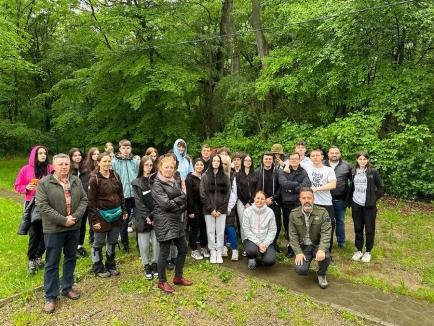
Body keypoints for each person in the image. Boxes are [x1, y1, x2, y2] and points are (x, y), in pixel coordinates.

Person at [35, 153, 88, 313]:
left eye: (66, 164)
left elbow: (84, 200)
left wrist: (75, 217)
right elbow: (43, 206)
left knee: (70, 258)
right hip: (54, 229)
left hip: (73, 227)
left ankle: (67, 287)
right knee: (52, 262)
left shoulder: (75, 180)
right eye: (61, 164)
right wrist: (63, 220)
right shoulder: (45, 183)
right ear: (54, 166)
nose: (64, 167)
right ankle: (50, 296)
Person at [152, 157, 192, 294]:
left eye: (171, 167)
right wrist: (178, 204)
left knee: (183, 248)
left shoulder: (174, 180)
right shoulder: (156, 184)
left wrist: (175, 203)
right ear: (160, 168)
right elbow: (164, 204)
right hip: (164, 221)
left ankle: (178, 277)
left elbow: (183, 197)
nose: (169, 170)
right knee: (164, 252)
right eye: (166, 167)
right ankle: (162, 282)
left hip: (175, 220)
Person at [15, 145, 54, 274]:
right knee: (34, 233)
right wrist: (26, 187)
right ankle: (31, 259)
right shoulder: (26, 169)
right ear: (34, 155)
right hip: (32, 204)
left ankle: (39, 256)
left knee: (46, 232)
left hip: (47, 204)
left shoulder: (50, 168)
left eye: (45, 153)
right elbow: (17, 186)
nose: (43, 155)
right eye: (40, 153)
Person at [288, 187, 332, 289]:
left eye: (309, 198)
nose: (306, 200)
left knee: (326, 256)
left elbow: (326, 233)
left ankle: (321, 274)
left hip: (317, 245)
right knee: (301, 270)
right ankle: (305, 260)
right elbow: (292, 235)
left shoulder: (323, 212)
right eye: (304, 198)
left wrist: (321, 249)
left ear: (313, 199)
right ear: (300, 199)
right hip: (303, 247)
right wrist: (298, 252)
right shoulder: (293, 214)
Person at [348, 152, 384, 263]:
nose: (362, 161)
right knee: (358, 228)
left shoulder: (373, 172)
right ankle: (358, 250)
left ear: (367, 160)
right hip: (356, 204)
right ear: (357, 160)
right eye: (360, 159)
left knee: (369, 229)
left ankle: (368, 252)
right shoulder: (353, 172)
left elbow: (381, 188)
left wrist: (373, 199)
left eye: (364, 159)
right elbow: (351, 186)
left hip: (369, 206)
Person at [305, 149, 336, 259]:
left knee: (328, 227)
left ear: (322, 157)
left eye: (317, 155)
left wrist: (317, 189)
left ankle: (327, 253)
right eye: (313, 156)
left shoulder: (328, 170)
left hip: (326, 203)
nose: (315, 157)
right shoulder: (307, 167)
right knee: (311, 226)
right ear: (310, 158)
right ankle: (313, 250)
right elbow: (290, 161)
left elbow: (333, 184)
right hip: (311, 203)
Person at [278, 152, 311, 257]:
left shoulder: (303, 171)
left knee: (299, 224)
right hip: (287, 202)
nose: (294, 160)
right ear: (289, 160)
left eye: (296, 158)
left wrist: (291, 189)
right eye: (291, 159)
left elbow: (306, 185)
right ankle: (290, 246)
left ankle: (299, 245)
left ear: (299, 159)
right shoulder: (283, 171)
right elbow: (283, 183)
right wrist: (298, 185)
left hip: (298, 202)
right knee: (288, 224)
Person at [132, 156, 159, 280]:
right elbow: (139, 202)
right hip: (143, 217)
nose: (149, 167)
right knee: (143, 244)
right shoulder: (136, 182)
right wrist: (148, 216)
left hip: (157, 215)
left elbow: (159, 198)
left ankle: (155, 263)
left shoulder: (157, 180)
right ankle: (146, 265)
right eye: (146, 165)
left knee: (156, 242)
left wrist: (153, 215)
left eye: (151, 165)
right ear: (142, 166)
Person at [200, 154, 231, 264]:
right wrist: (211, 209)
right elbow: (203, 194)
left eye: (218, 161)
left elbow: (228, 194)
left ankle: (219, 252)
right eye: (214, 160)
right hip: (209, 211)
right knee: (210, 231)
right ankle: (213, 251)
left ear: (220, 163)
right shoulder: (205, 176)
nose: (216, 162)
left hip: (221, 210)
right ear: (211, 162)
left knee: (221, 232)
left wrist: (221, 210)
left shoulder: (225, 177)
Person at [111, 139, 139, 252]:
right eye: (123, 148)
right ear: (120, 149)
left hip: (136, 195)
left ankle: (139, 243)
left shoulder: (135, 161)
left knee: (139, 219)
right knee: (124, 221)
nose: (126, 150)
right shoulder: (114, 162)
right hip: (123, 196)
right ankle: (125, 244)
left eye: (128, 148)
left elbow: (138, 174)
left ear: (131, 149)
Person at [324, 146, 352, 248]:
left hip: (340, 199)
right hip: (324, 199)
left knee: (340, 221)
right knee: (325, 222)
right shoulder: (322, 164)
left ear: (340, 154)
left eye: (336, 153)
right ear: (328, 154)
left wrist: (349, 197)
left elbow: (353, 181)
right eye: (332, 153)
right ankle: (325, 242)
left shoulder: (347, 165)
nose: (334, 155)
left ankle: (341, 242)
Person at [242, 191, 277, 269]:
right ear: (254, 198)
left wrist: (265, 243)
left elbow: (272, 230)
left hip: (266, 241)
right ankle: (252, 258)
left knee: (269, 261)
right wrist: (259, 243)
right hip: (251, 240)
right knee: (251, 251)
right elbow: (246, 229)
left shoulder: (270, 212)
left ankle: (263, 257)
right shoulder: (247, 211)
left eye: (262, 199)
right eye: (258, 198)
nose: (260, 200)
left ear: (265, 200)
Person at [256, 152, 282, 251]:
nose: (268, 161)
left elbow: (281, 187)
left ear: (273, 160)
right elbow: (256, 187)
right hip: (261, 201)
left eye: (270, 159)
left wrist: (272, 198)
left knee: (277, 223)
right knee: (262, 223)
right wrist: (262, 199)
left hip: (274, 201)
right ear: (262, 160)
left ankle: (273, 242)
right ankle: (261, 242)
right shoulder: (258, 171)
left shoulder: (278, 172)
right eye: (266, 159)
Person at [68, 148, 90, 258]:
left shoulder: (86, 169)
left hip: (85, 201)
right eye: (75, 155)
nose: (77, 157)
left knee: (82, 225)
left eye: (79, 155)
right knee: (73, 224)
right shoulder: (68, 170)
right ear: (71, 157)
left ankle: (79, 245)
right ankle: (71, 246)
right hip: (72, 203)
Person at [185, 158, 208, 260]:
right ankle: (193, 249)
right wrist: (190, 211)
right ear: (194, 165)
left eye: (201, 165)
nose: (199, 166)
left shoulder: (205, 177)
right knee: (194, 228)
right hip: (194, 206)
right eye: (197, 164)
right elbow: (189, 196)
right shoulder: (189, 178)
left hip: (205, 206)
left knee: (204, 227)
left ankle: (203, 247)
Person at [236, 154, 260, 246]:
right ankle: (245, 243)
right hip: (242, 203)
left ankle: (254, 243)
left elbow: (258, 188)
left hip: (254, 202)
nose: (248, 162)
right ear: (243, 162)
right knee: (243, 224)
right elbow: (238, 190)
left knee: (253, 223)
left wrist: (251, 201)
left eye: (249, 160)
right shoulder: (238, 175)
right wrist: (245, 202)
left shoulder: (256, 174)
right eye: (246, 160)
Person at [222, 155, 239, 261]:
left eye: (225, 164)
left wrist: (229, 207)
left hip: (229, 206)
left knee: (229, 227)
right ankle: (223, 247)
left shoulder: (232, 175)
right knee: (221, 228)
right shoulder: (216, 175)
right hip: (218, 206)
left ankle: (235, 250)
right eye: (221, 163)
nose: (223, 166)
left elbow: (234, 193)